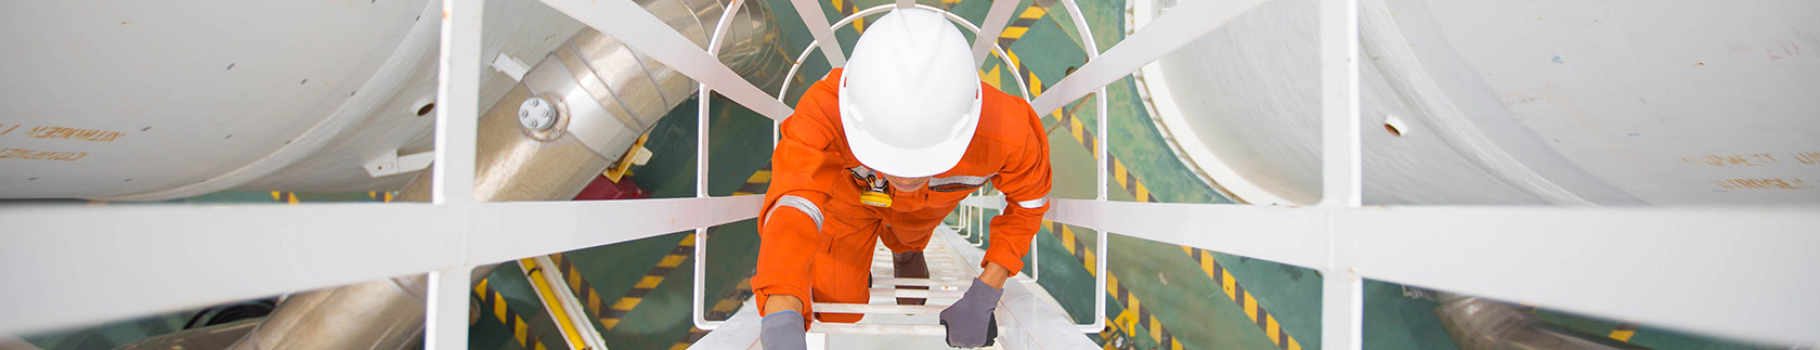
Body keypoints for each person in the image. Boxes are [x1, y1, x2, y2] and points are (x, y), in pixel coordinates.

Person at [750, 7, 1052, 349]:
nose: (905, 178)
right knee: (838, 310)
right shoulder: (823, 112)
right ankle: (863, 258)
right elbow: (794, 201)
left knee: (909, 238)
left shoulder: (1008, 131)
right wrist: (781, 305)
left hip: (919, 218)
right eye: (889, 158)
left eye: (924, 163)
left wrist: (988, 287)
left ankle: (905, 253)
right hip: (849, 208)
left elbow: (1029, 203)